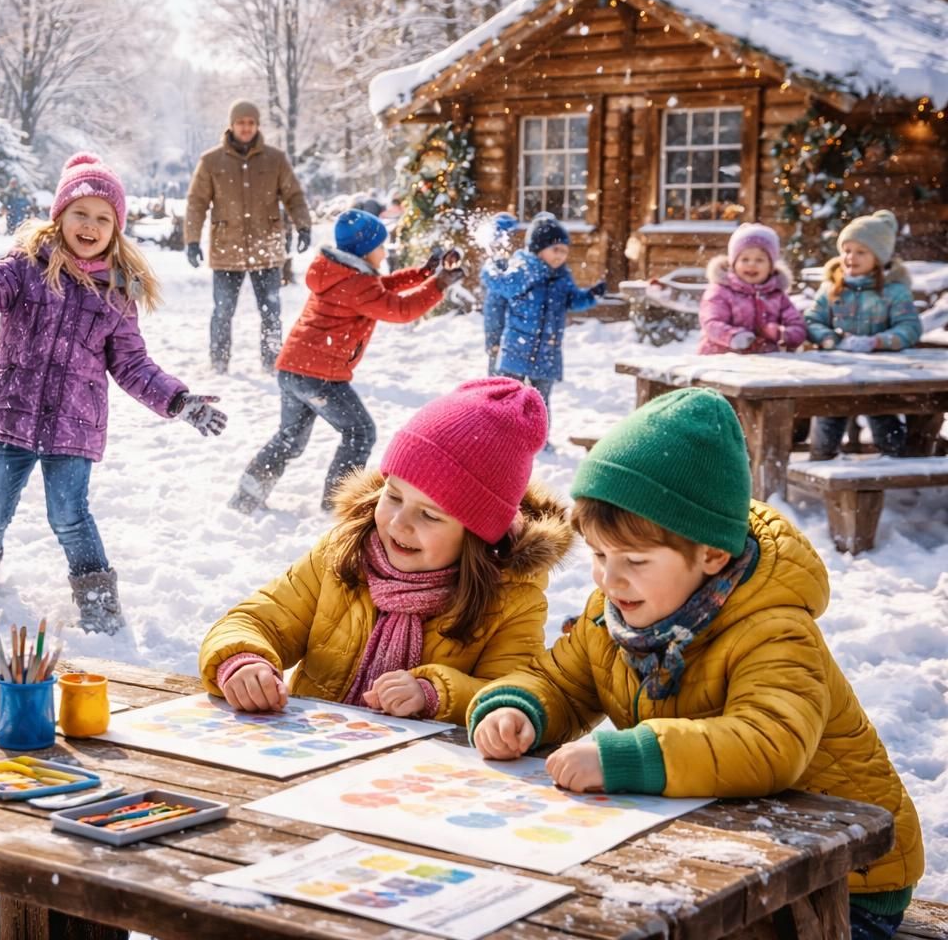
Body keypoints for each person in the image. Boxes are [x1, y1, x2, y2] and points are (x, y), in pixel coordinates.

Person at [468, 389, 923, 940]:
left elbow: (769, 741)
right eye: (599, 555)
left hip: (843, 881)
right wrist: (520, 708)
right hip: (737, 846)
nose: (609, 580)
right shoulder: (613, 614)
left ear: (711, 555)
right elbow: (560, 681)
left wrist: (635, 756)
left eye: (634, 561)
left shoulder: (773, 628)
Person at [0, 153, 228, 635]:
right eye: (80, 213)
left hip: (74, 425)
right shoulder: (25, 267)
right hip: (11, 415)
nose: (90, 225)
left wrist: (177, 400)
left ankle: (100, 601)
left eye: (103, 218)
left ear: (116, 228)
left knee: (70, 515)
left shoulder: (116, 293)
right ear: (60, 216)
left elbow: (131, 364)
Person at [202, 379, 567, 723]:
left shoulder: (511, 600)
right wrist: (242, 658)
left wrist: (436, 694)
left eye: (429, 515)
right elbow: (257, 619)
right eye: (392, 496)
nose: (398, 523)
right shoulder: (344, 554)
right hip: (308, 758)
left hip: (416, 780)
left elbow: (514, 699)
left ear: (477, 534)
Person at [228, 210, 461, 514]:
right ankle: (337, 505)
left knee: (289, 438)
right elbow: (400, 310)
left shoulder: (339, 272)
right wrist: (439, 285)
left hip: (293, 369)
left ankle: (247, 496)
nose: (384, 251)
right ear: (365, 250)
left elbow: (381, 288)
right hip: (319, 375)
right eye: (381, 245)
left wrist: (424, 274)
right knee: (360, 432)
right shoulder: (357, 284)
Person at [185, 99, 313, 373]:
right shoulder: (210, 161)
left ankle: (272, 362)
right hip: (225, 250)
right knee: (222, 311)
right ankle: (218, 363)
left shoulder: (275, 159)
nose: (246, 128)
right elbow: (196, 202)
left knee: (271, 311)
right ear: (231, 125)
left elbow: (293, 195)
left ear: (257, 125)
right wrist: (191, 240)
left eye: (251, 123)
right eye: (241, 123)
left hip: (266, 247)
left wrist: (303, 225)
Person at [803, 210, 922, 460]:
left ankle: (895, 467)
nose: (850, 257)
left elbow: (909, 328)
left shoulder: (894, 291)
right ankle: (820, 460)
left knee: (882, 412)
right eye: (846, 250)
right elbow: (813, 320)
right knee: (829, 411)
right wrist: (830, 340)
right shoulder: (831, 288)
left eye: (861, 252)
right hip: (835, 375)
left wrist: (877, 341)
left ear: (878, 258)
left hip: (883, 375)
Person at [480, 212, 605, 432]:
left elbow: (571, 300)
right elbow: (503, 286)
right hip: (517, 348)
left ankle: (539, 440)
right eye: (555, 249)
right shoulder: (524, 270)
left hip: (547, 351)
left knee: (540, 404)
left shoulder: (562, 277)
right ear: (539, 247)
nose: (560, 256)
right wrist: (490, 268)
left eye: (565, 251)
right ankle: (503, 434)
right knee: (508, 398)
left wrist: (591, 295)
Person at [698, 222, 805, 355]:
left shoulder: (777, 295)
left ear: (771, 266)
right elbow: (711, 323)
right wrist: (733, 336)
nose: (752, 264)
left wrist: (781, 334)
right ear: (733, 263)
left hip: (765, 362)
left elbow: (798, 328)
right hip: (721, 360)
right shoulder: (720, 292)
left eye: (760, 260)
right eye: (745, 259)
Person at [481, 212, 521, 375]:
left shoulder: (503, 265)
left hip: (514, 337)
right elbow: (493, 309)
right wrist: (493, 340)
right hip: (511, 337)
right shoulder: (498, 266)